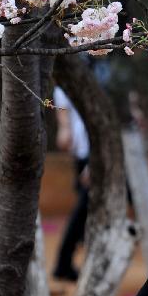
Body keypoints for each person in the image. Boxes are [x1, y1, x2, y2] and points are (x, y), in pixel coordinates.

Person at [52, 85, 90, 282]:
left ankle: (63, 264)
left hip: (88, 154)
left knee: (84, 211)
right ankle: (63, 264)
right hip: (89, 156)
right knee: (82, 211)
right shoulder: (75, 77)